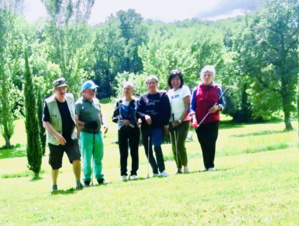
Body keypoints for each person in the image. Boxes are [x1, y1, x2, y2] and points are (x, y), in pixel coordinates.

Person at [43, 77, 83, 191]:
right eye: (59, 89)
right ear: (54, 90)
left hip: (70, 136)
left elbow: (73, 114)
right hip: (55, 139)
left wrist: (78, 128)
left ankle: (78, 182)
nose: (62, 91)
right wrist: (56, 135)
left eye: (64, 88)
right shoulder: (49, 103)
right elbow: (45, 122)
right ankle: (54, 185)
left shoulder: (70, 98)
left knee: (76, 158)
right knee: (55, 164)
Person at [190, 65, 226, 171]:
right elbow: (192, 106)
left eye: (209, 75)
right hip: (200, 121)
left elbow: (222, 103)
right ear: (201, 76)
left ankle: (210, 165)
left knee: (211, 142)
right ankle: (206, 165)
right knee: (203, 143)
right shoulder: (196, 90)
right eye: (204, 75)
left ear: (212, 77)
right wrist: (194, 118)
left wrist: (217, 107)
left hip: (213, 121)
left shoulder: (217, 88)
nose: (206, 77)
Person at [75, 80, 108, 186]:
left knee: (98, 156)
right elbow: (74, 120)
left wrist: (104, 123)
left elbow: (101, 114)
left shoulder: (96, 101)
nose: (94, 91)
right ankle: (87, 179)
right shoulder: (79, 104)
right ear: (84, 91)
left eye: (95, 89)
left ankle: (100, 177)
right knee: (87, 157)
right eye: (91, 90)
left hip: (97, 133)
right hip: (85, 134)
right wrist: (85, 124)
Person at [138, 75, 170, 177]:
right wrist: (145, 116)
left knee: (156, 146)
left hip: (158, 126)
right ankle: (154, 170)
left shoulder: (163, 96)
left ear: (157, 84)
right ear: (146, 85)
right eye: (149, 83)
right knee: (148, 150)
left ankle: (162, 170)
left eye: (153, 82)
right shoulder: (143, 98)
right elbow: (138, 111)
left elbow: (167, 111)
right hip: (146, 127)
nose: (151, 84)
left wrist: (165, 125)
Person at [112, 81, 140, 181]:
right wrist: (122, 120)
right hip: (122, 129)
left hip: (134, 129)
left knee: (134, 151)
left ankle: (134, 173)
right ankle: (123, 173)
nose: (126, 90)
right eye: (124, 88)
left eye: (128, 88)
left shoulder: (137, 102)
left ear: (133, 91)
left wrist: (139, 120)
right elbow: (114, 117)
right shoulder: (119, 102)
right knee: (123, 152)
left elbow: (140, 114)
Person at [167, 69, 191, 174]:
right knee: (174, 146)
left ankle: (186, 166)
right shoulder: (169, 92)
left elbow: (187, 106)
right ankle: (178, 168)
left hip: (183, 121)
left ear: (180, 80)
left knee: (180, 144)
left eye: (177, 79)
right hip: (172, 122)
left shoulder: (184, 89)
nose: (175, 81)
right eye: (173, 79)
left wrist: (180, 120)